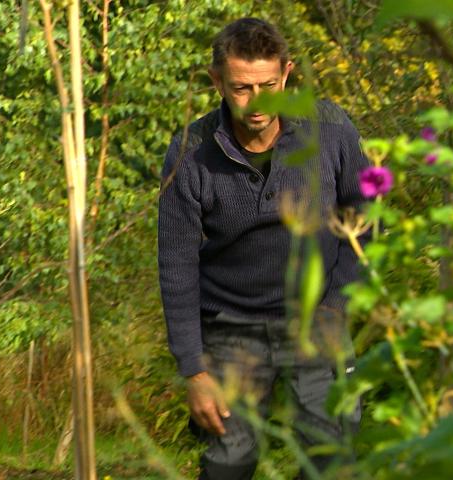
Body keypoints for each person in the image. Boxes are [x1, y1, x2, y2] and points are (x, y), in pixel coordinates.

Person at [157, 17, 368, 479]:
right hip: (231, 328)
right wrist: (194, 370)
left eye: (268, 86)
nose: (256, 103)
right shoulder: (190, 152)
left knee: (335, 456)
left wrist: (338, 304)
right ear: (217, 81)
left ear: (287, 74)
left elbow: (365, 217)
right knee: (229, 462)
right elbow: (176, 265)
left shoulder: (330, 129)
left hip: (318, 322)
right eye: (241, 89)